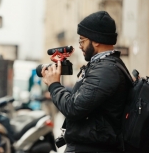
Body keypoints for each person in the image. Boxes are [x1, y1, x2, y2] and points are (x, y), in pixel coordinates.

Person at [41, 11, 130, 152]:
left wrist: (54, 85)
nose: (80, 46)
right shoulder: (103, 67)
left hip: (92, 148)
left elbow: (73, 108)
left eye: (82, 40)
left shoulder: (106, 71)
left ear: (96, 40)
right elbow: (83, 99)